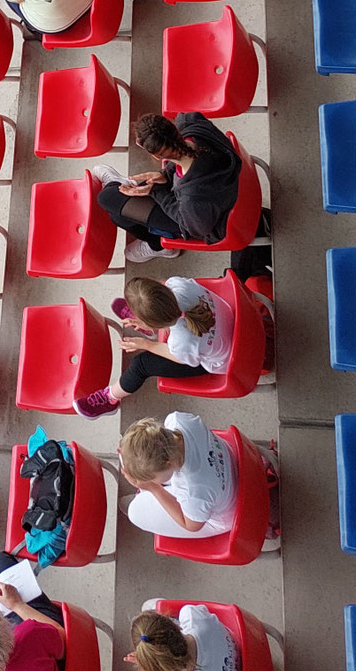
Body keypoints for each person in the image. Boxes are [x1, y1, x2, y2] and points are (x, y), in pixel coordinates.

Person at [75, 274, 237, 418]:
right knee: (171, 337)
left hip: (220, 360)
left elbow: (179, 357)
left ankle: (110, 398)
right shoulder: (178, 284)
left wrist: (147, 344)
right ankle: (152, 316)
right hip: (231, 322)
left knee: (141, 364)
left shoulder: (181, 342)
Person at [97, 111, 245, 262]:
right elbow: (189, 153)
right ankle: (154, 242)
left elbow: (195, 227)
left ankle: (159, 246)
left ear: (155, 155)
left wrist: (158, 191)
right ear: (174, 127)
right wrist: (166, 174)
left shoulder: (191, 198)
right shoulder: (192, 123)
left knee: (107, 199)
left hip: (198, 217)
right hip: (222, 186)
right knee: (117, 214)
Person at [119, 413, 244, 541]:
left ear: (169, 463)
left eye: (152, 478)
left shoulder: (193, 491)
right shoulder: (177, 420)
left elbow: (191, 525)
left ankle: (143, 496)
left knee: (135, 512)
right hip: (235, 461)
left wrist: (154, 488)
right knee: (130, 458)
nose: (151, 481)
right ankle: (147, 489)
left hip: (229, 512)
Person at [126, 605, 242, 671]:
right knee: (150, 604)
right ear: (174, 624)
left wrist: (151, 662)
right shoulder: (192, 615)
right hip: (247, 648)